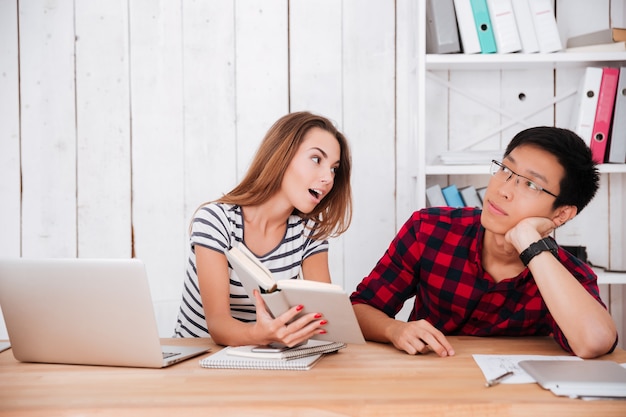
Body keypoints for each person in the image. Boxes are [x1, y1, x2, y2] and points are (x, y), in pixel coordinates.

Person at [350, 126, 618, 359]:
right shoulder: (429, 228)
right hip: (428, 387)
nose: (503, 190)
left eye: (531, 185)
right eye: (505, 169)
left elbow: (594, 342)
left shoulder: (567, 275)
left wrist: (529, 241)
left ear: (561, 213)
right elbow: (360, 308)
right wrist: (395, 330)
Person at [174, 111, 352, 348]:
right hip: (196, 357)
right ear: (282, 155)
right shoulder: (216, 220)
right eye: (317, 159)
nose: (328, 178)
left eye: (334, 169)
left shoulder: (309, 233)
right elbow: (218, 325)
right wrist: (264, 334)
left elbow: (325, 324)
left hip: (259, 358)